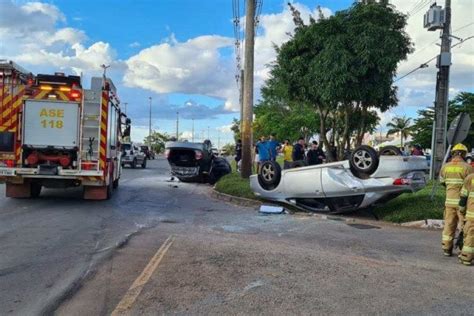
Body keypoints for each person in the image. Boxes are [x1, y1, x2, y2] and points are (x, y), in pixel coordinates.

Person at [439, 143, 473, 256]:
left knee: (449, 224)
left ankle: (446, 248)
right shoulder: (468, 168)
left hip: (449, 202)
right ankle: (462, 250)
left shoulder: (445, 167)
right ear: (464, 154)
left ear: (453, 153)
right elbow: (470, 185)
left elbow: (442, 182)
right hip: (463, 204)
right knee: (464, 227)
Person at [459, 172, 474, 265]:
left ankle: (466, 257)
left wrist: (461, 210)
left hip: (472, 214)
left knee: (470, 235)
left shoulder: (470, 178)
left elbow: (463, 197)